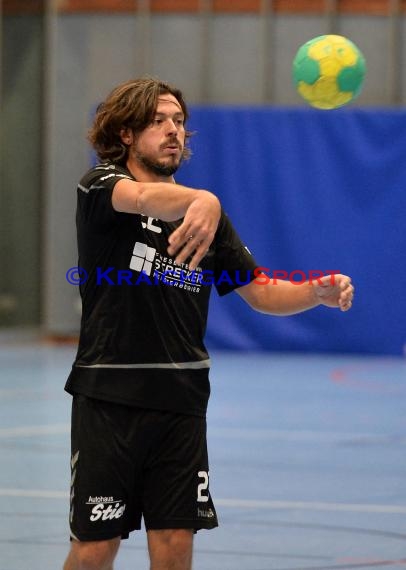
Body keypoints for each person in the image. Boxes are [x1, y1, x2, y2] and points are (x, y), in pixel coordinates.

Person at [63, 77, 354, 570]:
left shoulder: (204, 218)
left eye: (179, 121)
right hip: (110, 398)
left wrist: (314, 292)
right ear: (127, 134)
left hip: (182, 400)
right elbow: (143, 199)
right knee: (94, 549)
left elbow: (261, 293)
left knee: (175, 545)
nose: (173, 130)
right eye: (157, 121)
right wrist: (206, 200)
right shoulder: (102, 187)